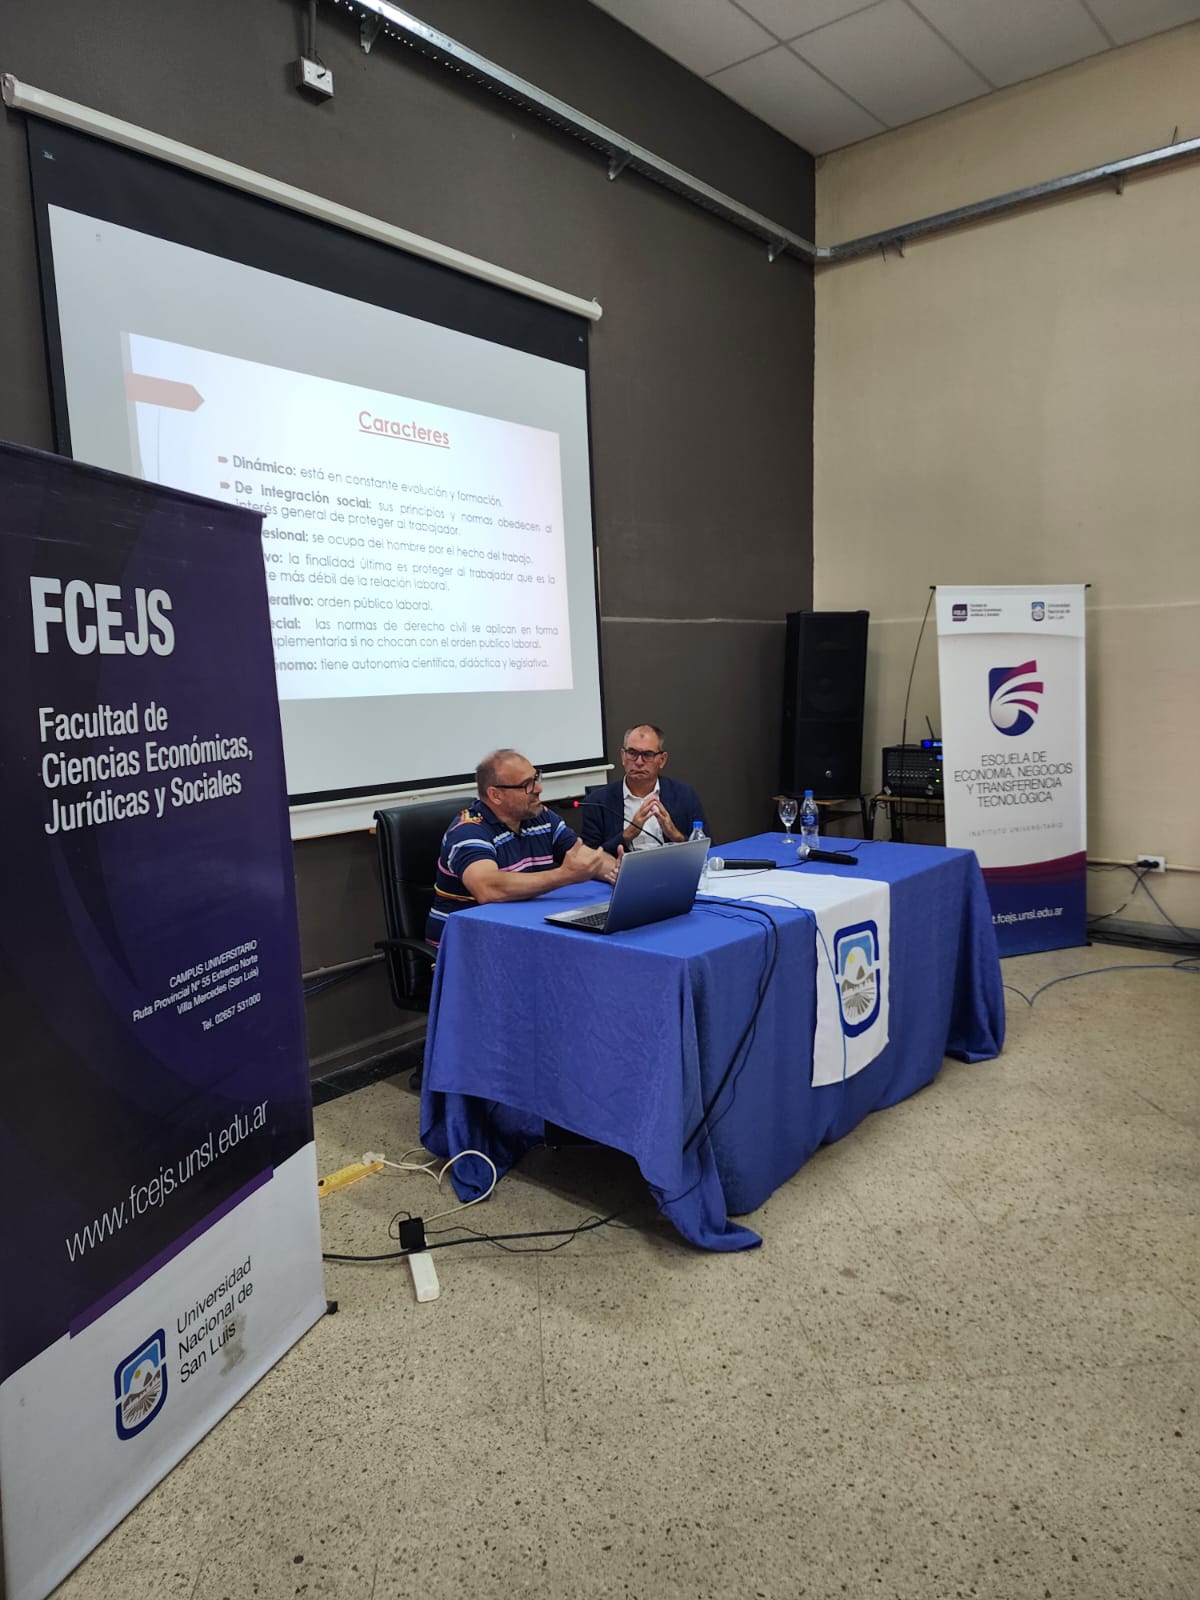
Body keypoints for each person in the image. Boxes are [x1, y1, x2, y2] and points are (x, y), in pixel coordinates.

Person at [425, 749, 617, 950]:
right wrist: (565, 875)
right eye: (527, 784)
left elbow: (586, 858)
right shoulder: (468, 831)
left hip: (517, 931)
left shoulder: (541, 817)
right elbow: (488, 888)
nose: (539, 788)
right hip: (465, 945)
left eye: (536, 778)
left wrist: (621, 871)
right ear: (496, 795)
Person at [581, 723, 707, 857]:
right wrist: (628, 834)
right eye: (632, 753)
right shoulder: (597, 802)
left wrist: (675, 835)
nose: (639, 762)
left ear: (662, 760)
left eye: (648, 754)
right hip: (620, 869)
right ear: (623, 757)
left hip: (673, 865)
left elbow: (707, 849)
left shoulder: (684, 794)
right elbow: (589, 859)